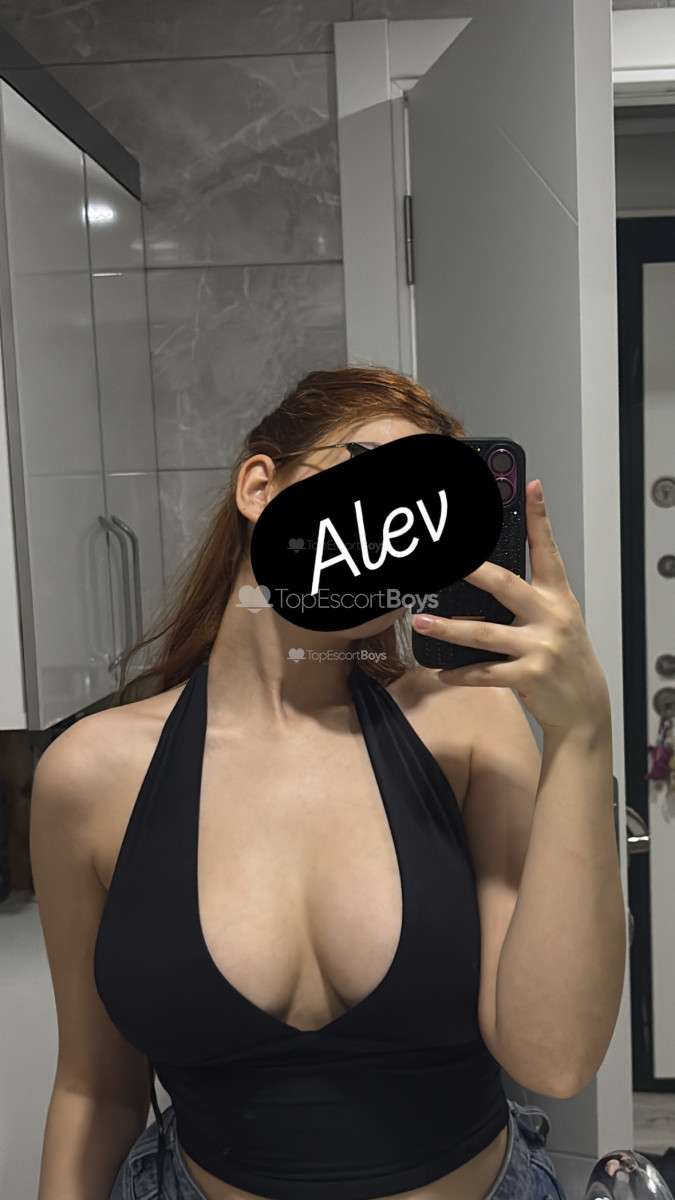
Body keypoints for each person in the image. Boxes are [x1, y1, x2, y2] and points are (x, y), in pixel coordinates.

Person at [30, 366, 578, 1200]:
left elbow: (555, 1059)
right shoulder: (89, 775)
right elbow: (94, 1087)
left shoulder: (468, 726)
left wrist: (582, 734)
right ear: (260, 485)